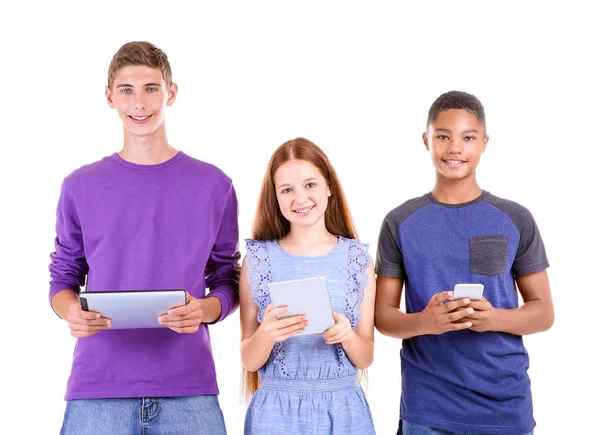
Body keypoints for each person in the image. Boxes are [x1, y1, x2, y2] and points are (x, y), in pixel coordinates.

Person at [48, 41, 240, 435]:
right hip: (97, 390)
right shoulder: (79, 186)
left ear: (171, 92)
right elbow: (63, 277)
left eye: (151, 88)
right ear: (109, 97)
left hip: (189, 388)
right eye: (127, 90)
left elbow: (227, 278)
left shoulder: (214, 185)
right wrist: (71, 312)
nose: (140, 103)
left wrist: (204, 310)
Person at [375, 90, 554, 435]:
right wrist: (426, 321)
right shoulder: (400, 221)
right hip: (428, 408)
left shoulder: (515, 218)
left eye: (468, 137)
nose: (455, 148)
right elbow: (383, 316)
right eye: (443, 136)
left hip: (505, 406)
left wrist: (495, 318)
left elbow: (544, 312)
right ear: (426, 141)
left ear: (484, 143)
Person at [239, 137, 377, 434]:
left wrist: (346, 335)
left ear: (328, 186)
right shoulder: (258, 259)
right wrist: (267, 333)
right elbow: (249, 359)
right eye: (287, 190)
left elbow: (366, 357)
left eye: (310, 185)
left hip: (343, 412)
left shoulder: (357, 259)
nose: (299, 198)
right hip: (275, 414)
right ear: (275, 197)